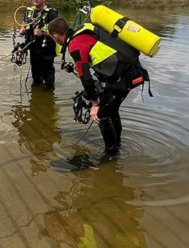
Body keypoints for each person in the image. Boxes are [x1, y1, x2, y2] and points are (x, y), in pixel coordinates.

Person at [48, 17, 148, 155]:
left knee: (101, 114)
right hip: (132, 70)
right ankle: (116, 145)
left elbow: (85, 77)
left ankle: (111, 154)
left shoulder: (75, 45)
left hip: (123, 77)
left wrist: (95, 104)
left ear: (55, 36)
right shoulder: (84, 30)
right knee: (111, 110)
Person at [19, 0, 58, 88]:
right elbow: (24, 22)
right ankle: (36, 93)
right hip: (33, 48)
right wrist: (23, 28)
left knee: (48, 75)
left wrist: (43, 33)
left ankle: (49, 93)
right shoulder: (29, 11)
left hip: (47, 49)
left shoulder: (51, 13)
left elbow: (57, 32)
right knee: (35, 75)